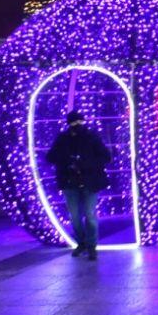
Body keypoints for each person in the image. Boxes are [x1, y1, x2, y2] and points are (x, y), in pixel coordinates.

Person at [45, 110, 111, 260]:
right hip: (70, 182)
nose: (78, 126)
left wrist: (86, 163)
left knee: (89, 214)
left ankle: (91, 245)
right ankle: (81, 242)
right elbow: (51, 156)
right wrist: (67, 162)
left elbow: (106, 156)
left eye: (80, 122)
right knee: (75, 216)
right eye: (75, 123)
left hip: (90, 181)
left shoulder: (92, 137)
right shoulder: (63, 139)